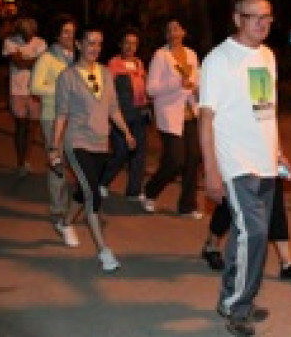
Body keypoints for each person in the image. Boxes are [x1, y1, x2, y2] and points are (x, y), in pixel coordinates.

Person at [199, 0, 287, 337]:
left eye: (267, 17)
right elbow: (206, 119)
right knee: (255, 234)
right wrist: (211, 171)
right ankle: (238, 308)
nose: (262, 23)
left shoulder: (267, 56)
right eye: (254, 17)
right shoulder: (218, 60)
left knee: (244, 235)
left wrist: (279, 152)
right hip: (236, 163)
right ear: (237, 18)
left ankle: (234, 298)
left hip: (265, 161)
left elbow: (267, 111)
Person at [47, 27, 136, 272]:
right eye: (90, 43)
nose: (95, 48)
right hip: (77, 143)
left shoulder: (106, 73)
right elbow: (61, 115)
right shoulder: (68, 77)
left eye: (99, 43)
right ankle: (104, 252)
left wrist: (126, 132)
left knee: (86, 189)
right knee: (93, 195)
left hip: (100, 143)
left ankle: (65, 222)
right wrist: (54, 147)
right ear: (78, 44)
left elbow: (113, 108)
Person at [144, 19, 202, 218]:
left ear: (184, 32)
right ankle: (150, 192)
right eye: (170, 30)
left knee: (194, 158)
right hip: (169, 116)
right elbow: (151, 89)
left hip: (191, 114)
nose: (174, 33)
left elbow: (198, 81)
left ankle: (187, 206)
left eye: (177, 29)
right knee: (176, 161)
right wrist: (177, 83)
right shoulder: (161, 56)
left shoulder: (192, 55)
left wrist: (197, 90)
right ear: (166, 35)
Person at [201, 177, 291, 281]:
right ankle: (211, 245)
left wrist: (279, 157)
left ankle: (287, 262)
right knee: (232, 198)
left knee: (275, 199)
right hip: (239, 160)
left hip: (265, 162)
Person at [98, 28, 154, 211]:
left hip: (139, 115)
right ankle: (102, 182)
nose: (131, 46)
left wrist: (148, 106)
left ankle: (133, 191)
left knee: (138, 154)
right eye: (127, 42)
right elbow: (106, 91)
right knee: (121, 152)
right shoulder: (113, 64)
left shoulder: (139, 64)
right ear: (120, 44)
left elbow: (144, 89)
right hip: (120, 115)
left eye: (134, 43)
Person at [30, 14, 77, 224]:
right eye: (65, 31)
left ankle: (76, 203)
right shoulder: (47, 58)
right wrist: (60, 89)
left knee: (76, 162)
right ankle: (58, 208)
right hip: (52, 116)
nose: (70, 35)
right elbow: (35, 87)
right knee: (57, 163)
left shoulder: (79, 58)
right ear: (57, 34)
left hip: (77, 119)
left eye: (72, 31)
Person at [3, 16, 46, 177]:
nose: (29, 36)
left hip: (35, 90)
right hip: (17, 90)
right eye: (25, 33)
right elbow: (18, 63)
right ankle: (20, 162)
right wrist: (33, 60)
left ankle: (26, 159)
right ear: (19, 31)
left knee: (32, 128)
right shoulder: (10, 42)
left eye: (31, 33)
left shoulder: (41, 42)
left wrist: (24, 58)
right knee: (21, 126)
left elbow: (40, 64)